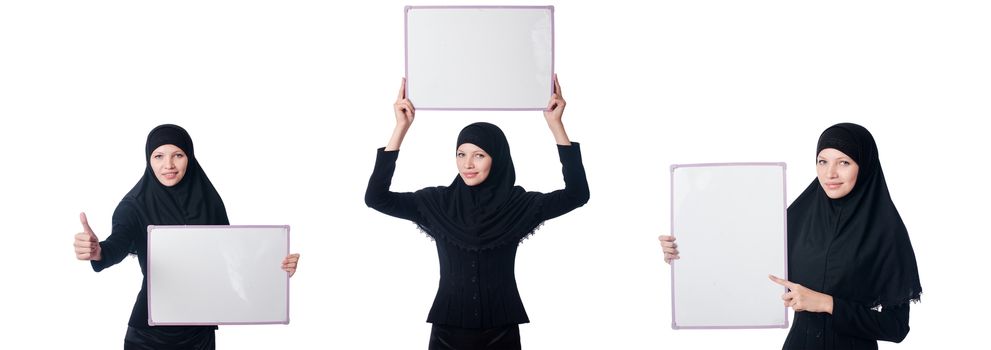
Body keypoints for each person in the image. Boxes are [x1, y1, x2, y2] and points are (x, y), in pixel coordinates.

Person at [365, 76, 589, 349]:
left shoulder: (517, 205)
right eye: (461, 154)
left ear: (497, 158)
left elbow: (578, 194)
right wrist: (400, 128)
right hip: (447, 333)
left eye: (479, 155)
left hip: (501, 332)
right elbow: (376, 198)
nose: (467, 164)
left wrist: (557, 126)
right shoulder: (437, 203)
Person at [660, 123, 921, 349]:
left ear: (864, 166)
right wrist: (683, 252)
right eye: (822, 161)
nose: (830, 173)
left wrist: (827, 304)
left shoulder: (887, 232)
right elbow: (742, 256)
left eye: (844, 162)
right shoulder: (798, 217)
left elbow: (896, 328)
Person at [73, 124, 300, 349]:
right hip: (149, 336)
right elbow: (118, 244)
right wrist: (99, 251)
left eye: (178, 155)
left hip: (199, 333)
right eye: (159, 156)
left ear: (189, 157)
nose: (168, 165)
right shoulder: (133, 206)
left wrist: (275, 270)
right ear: (148, 160)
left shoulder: (209, 200)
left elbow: (233, 260)